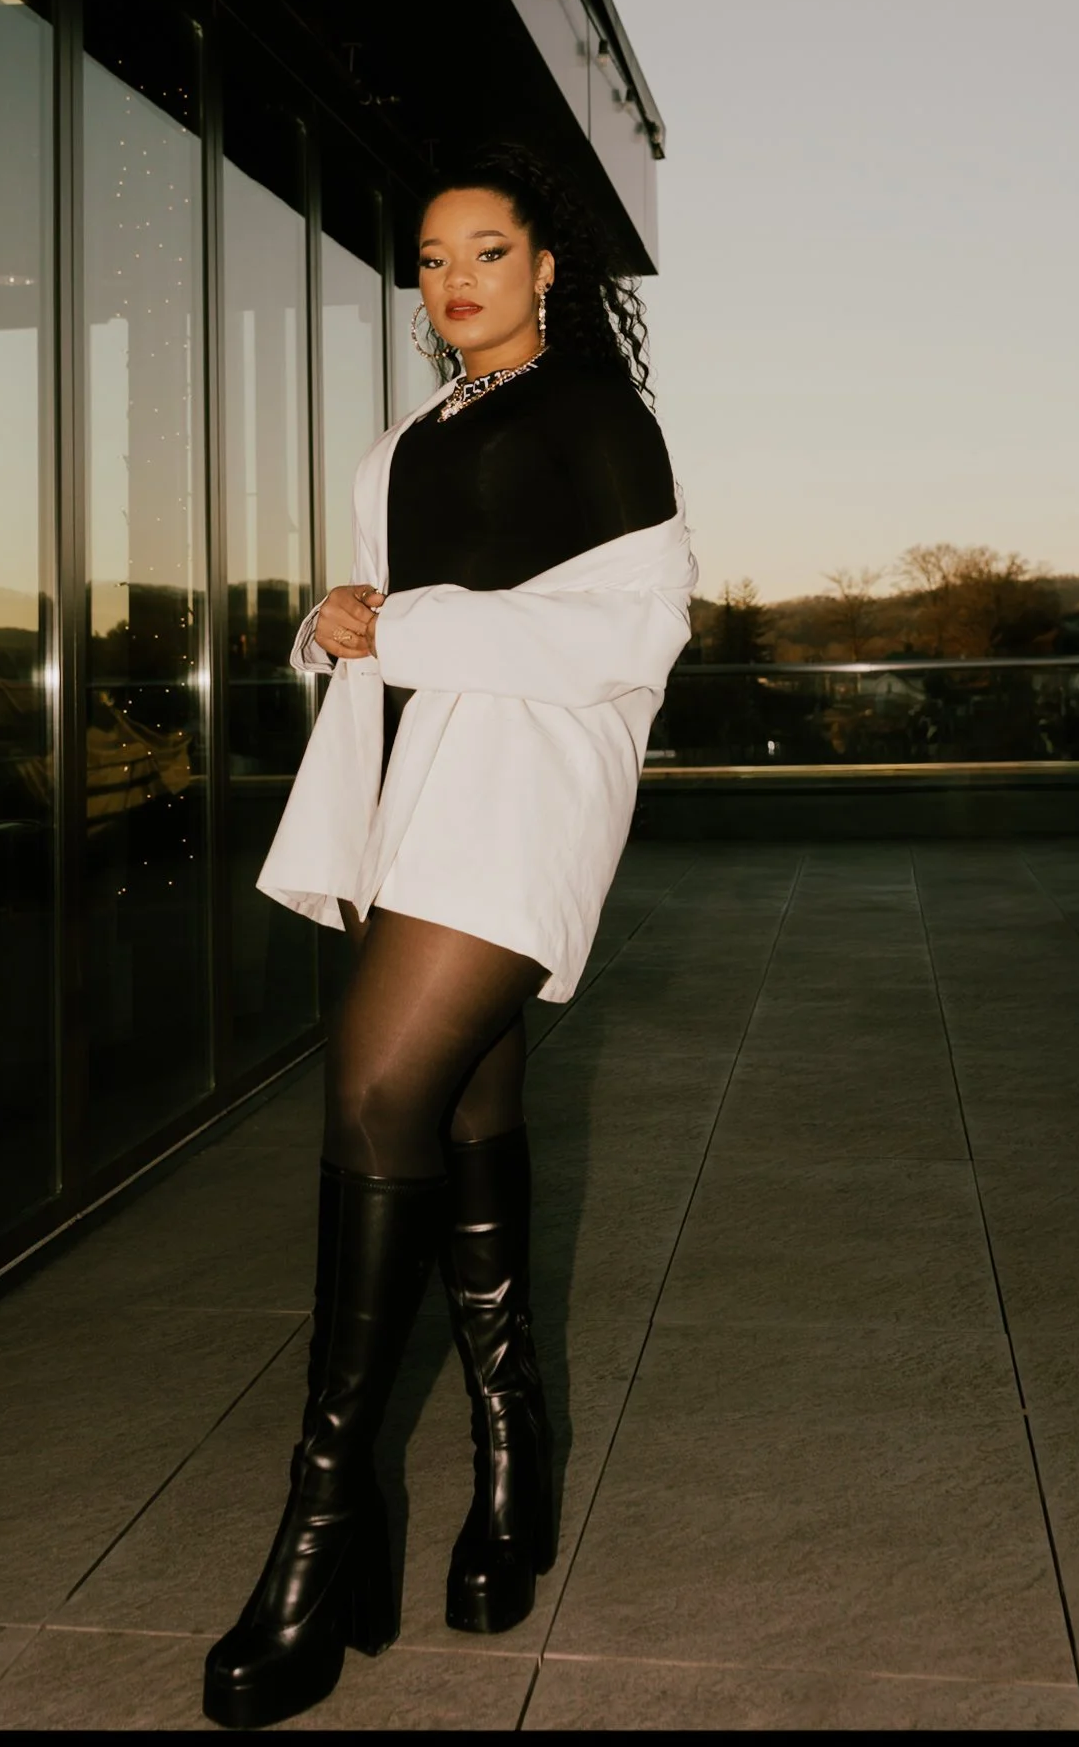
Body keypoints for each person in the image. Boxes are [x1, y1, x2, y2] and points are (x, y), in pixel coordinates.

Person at [202, 143, 697, 1730]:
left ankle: (323, 1529)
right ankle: (511, 1458)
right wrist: (333, 620)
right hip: (426, 780)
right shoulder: (415, 432)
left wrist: (400, 621)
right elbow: (383, 608)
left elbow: (640, 628)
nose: (458, 275)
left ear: (548, 268)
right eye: (431, 257)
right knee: (469, 1098)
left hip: (535, 780)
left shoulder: (599, 417)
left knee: (371, 1093)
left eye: (488, 248)